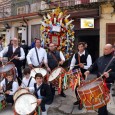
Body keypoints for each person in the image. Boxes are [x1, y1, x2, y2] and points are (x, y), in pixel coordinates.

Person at [85, 44, 115, 115]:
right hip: (98, 82)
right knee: (102, 101)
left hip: (107, 83)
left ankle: (101, 113)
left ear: (112, 50)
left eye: (106, 49)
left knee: (101, 101)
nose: (104, 50)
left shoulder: (114, 59)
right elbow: (93, 66)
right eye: (104, 49)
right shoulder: (100, 58)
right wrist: (88, 70)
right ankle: (105, 112)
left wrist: (110, 74)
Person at [69, 42, 92, 109]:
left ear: (84, 47)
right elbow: (72, 63)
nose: (80, 48)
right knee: (76, 87)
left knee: (81, 88)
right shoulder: (75, 55)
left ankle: (81, 102)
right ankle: (78, 100)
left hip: (83, 73)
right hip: (76, 73)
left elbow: (90, 66)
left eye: (82, 47)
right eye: (79, 47)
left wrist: (83, 66)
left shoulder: (88, 55)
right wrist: (70, 70)